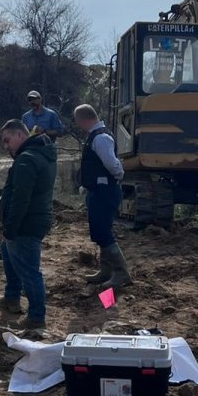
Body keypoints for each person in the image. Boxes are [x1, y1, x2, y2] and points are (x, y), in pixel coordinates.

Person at [0, 119, 57, 330]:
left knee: (30, 271)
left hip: (26, 224)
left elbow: (21, 199)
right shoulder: (40, 154)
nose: (6, 146)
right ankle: (12, 297)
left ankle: (36, 318)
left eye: (7, 140)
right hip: (36, 219)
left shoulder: (27, 160)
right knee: (6, 249)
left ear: (21, 135)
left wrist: (10, 229)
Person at [74, 104, 132, 289]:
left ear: (83, 119)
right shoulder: (96, 136)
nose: (78, 125)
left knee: (104, 232)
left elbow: (113, 165)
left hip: (104, 192)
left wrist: (115, 178)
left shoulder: (100, 138)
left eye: (77, 121)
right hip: (98, 191)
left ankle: (121, 273)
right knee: (100, 231)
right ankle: (106, 271)